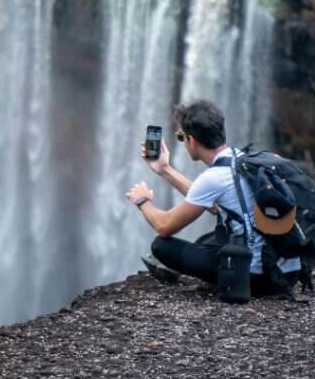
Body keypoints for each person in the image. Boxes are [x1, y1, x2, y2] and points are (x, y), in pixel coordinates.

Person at [124, 99, 300, 296]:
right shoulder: (242, 158)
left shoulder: (212, 178)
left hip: (255, 279)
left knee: (161, 246)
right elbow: (215, 206)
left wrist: (143, 201)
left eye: (181, 137)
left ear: (192, 140)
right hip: (287, 270)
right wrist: (164, 169)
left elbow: (165, 226)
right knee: (208, 240)